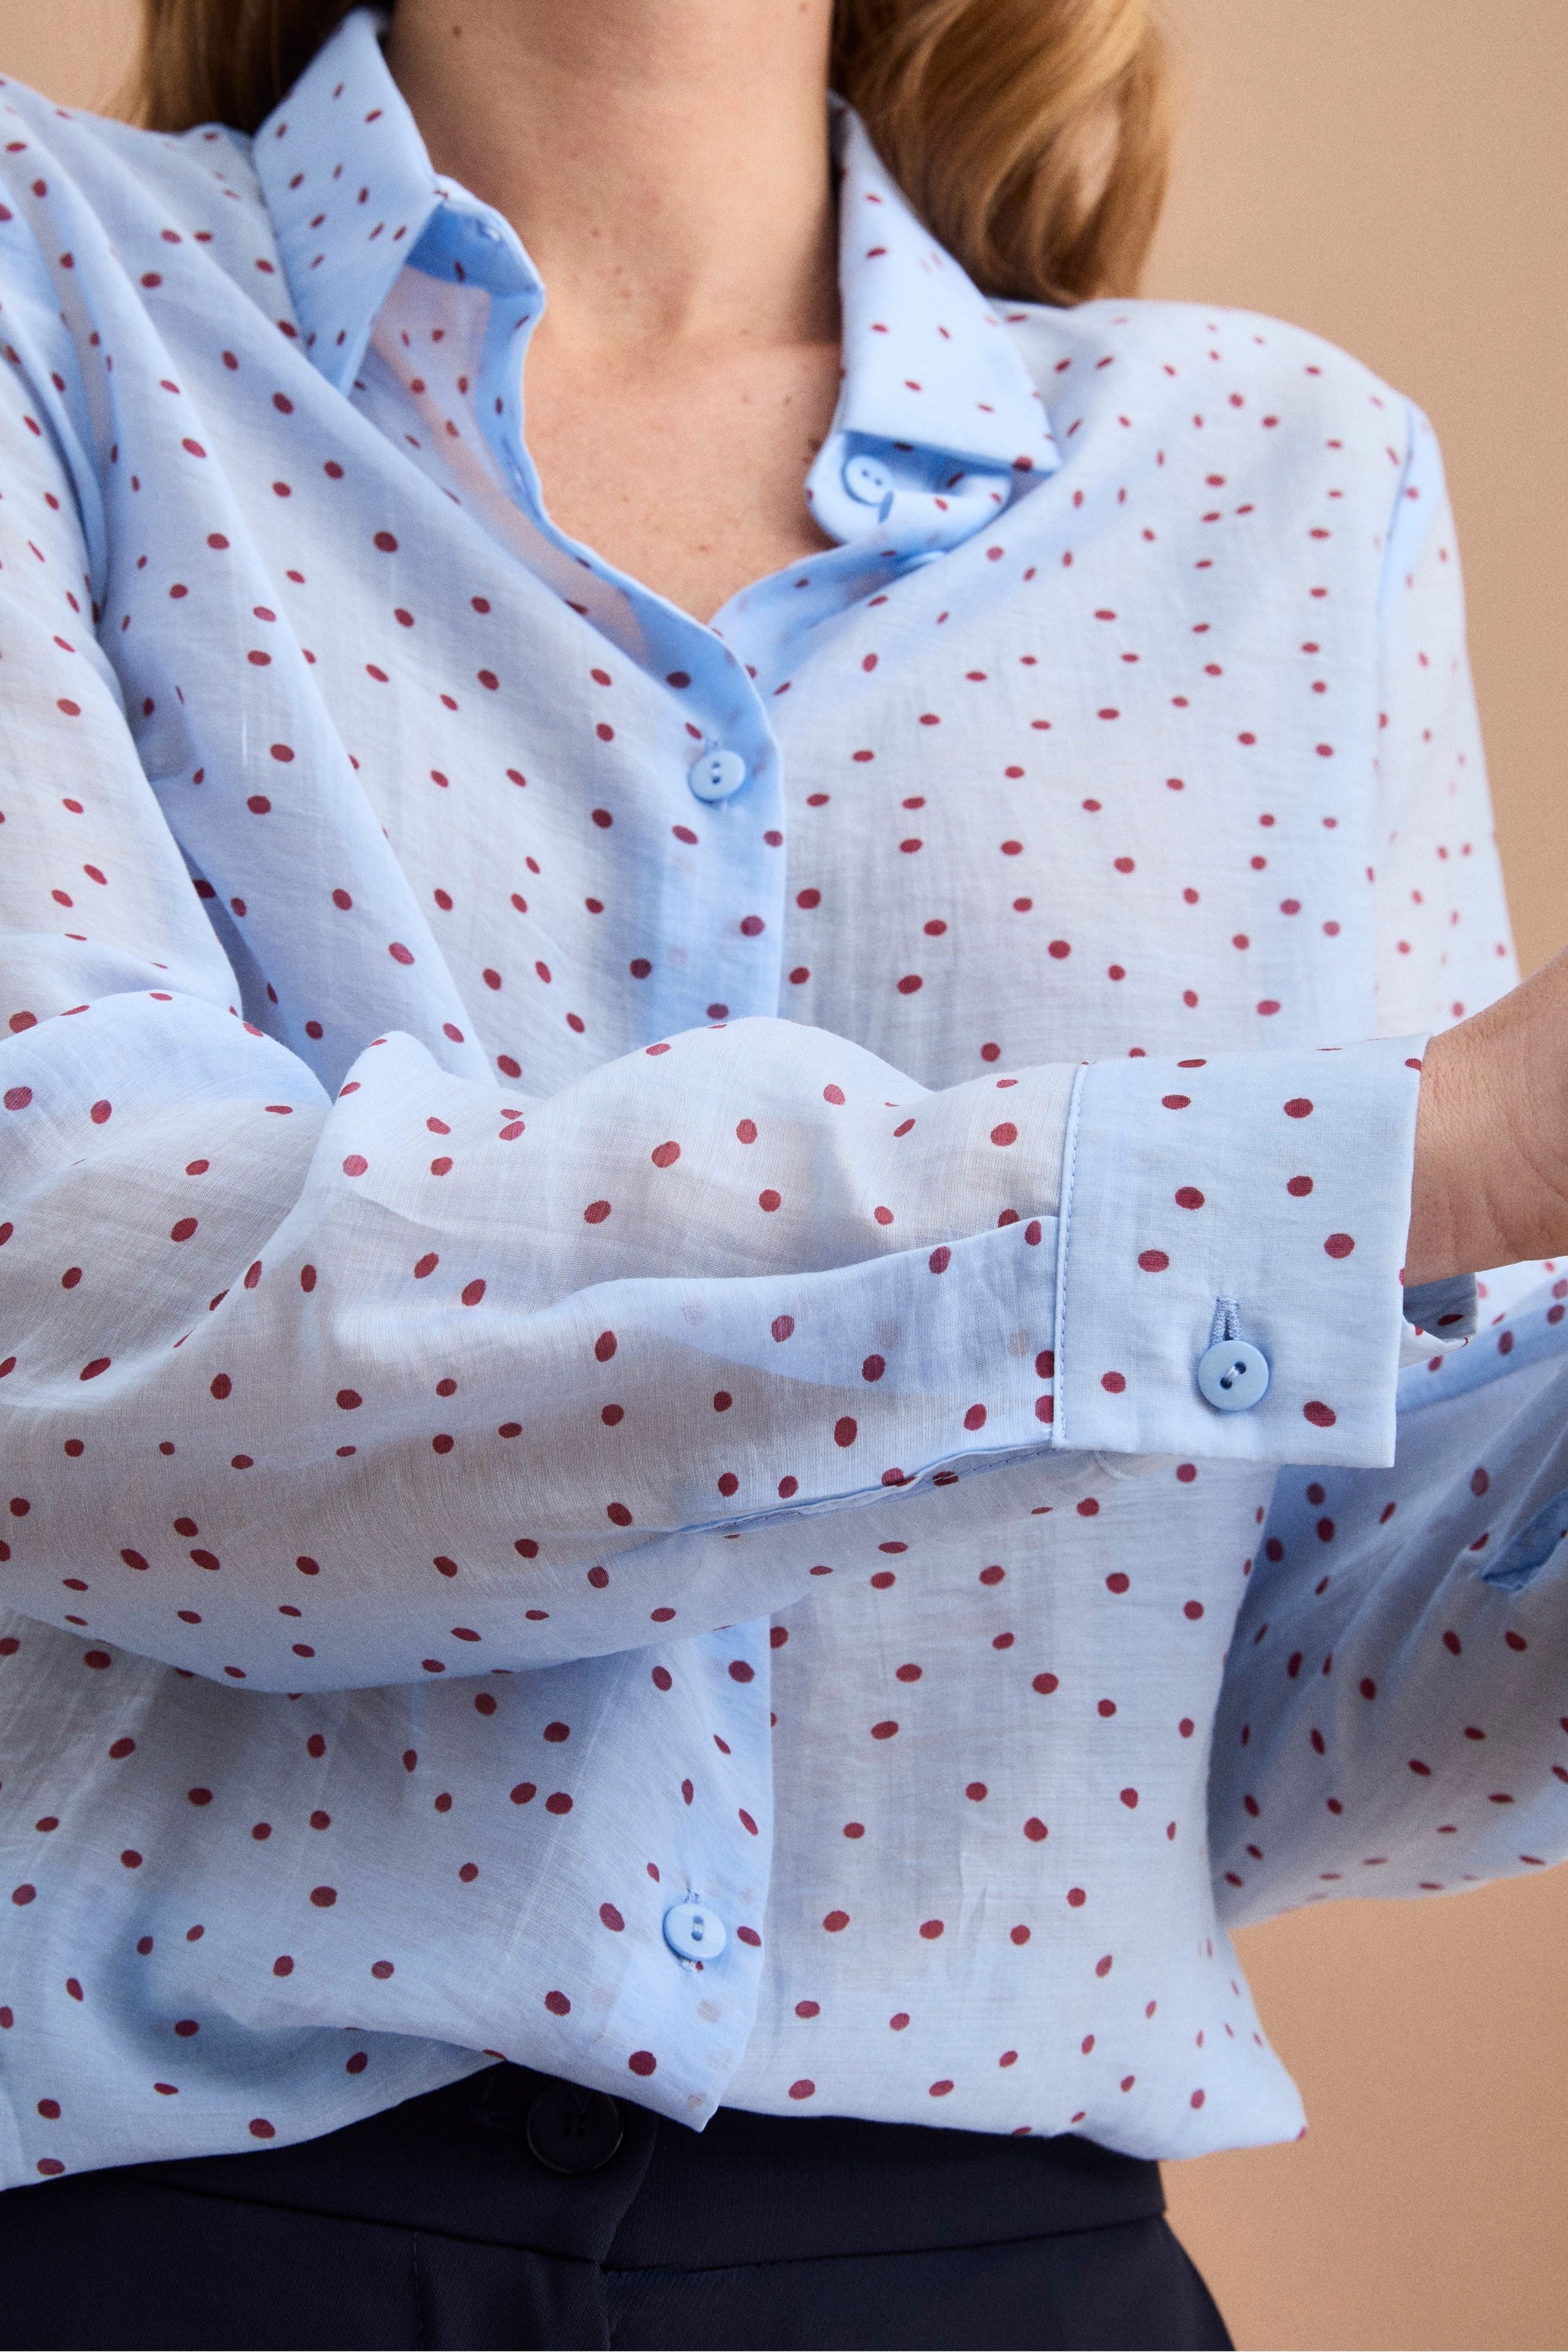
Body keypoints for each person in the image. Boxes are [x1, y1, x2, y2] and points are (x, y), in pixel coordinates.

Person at [0, 0, 1562, 2342]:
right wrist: (1408, 1163)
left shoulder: (1283, 477)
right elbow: (95, 1316)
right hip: (174, 2264)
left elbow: (1273, 1665)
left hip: (993, 2270)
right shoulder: (59, 289)